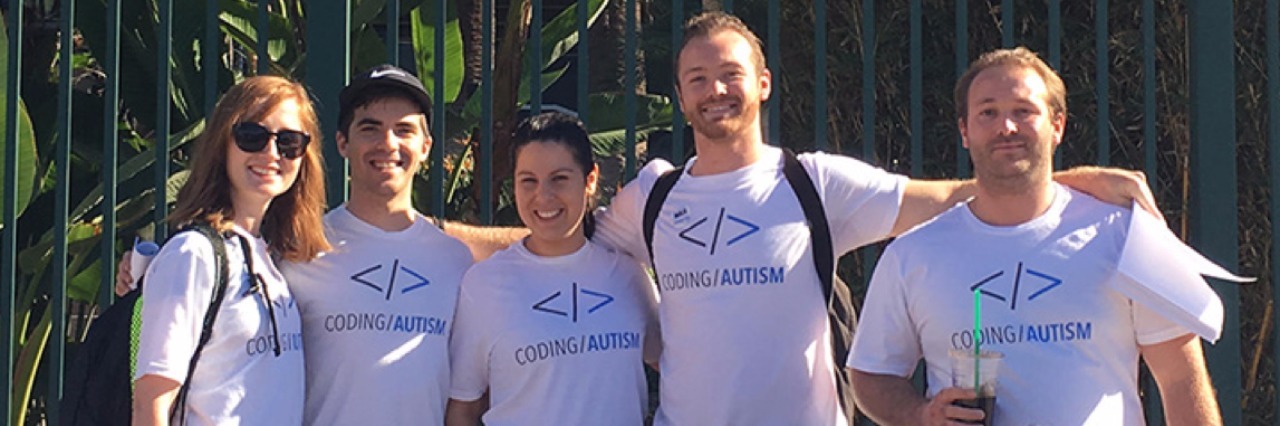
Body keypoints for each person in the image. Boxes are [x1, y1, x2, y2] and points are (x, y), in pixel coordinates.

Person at [588, 12, 1160, 426]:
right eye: (698, 79)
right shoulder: (653, 196)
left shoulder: (814, 182)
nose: (716, 90)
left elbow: (951, 196)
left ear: (762, 84)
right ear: (682, 97)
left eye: (730, 74)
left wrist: (1075, 180)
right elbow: (560, 241)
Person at [846, 47, 1221, 425]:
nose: (1006, 127)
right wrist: (920, 415)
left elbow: (1180, 377)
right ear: (964, 130)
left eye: (1023, 111)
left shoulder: (1123, 235)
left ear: (1057, 125)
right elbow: (872, 374)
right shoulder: (914, 254)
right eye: (987, 112)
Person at [276, 65, 475, 425]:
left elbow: (464, 394)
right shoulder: (298, 250)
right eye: (370, 128)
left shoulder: (455, 262)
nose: (388, 144)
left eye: (404, 131)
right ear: (342, 143)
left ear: (426, 147)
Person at [132, 75, 329, 425]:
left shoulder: (271, 258)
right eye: (251, 136)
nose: (271, 153)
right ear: (222, 144)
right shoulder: (193, 255)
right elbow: (151, 403)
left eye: (289, 142)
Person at [444, 112, 660, 425]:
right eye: (528, 181)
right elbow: (463, 409)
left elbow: (677, 368)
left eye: (559, 179)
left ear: (590, 179)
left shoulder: (628, 276)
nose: (543, 196)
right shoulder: (484, 285)